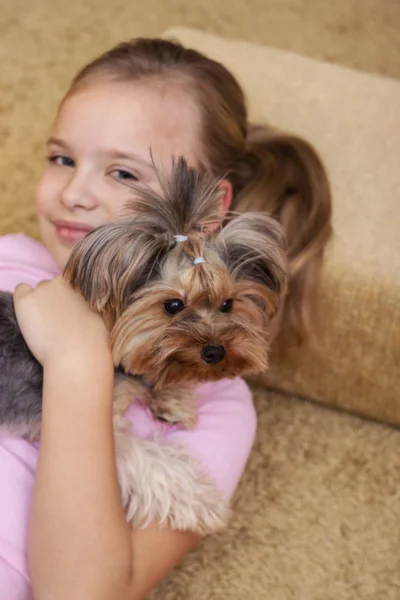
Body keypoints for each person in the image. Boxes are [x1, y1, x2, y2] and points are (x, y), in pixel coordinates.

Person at [0, 38, 332, 599]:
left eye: (124, 174)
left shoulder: (214, 403)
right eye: (62, 159)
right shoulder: (11, 256)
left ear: (206, 206)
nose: (75, 193)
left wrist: (78, 362)